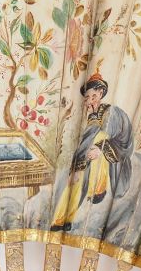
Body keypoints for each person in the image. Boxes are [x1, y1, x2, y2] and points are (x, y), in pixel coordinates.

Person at [50, 73, 133, 231]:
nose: (89, 102)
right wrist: (77, 166)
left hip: (111, 155)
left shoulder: (112, 112)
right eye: (86, 98)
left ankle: (98, 190)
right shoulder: (93, 118)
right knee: (76, 177)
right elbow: (85, 144)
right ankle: (63, 219)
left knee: (96, 145)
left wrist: (101, 148)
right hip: (92, 157)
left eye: (92, 96)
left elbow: (122, 139)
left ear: (100, 93)